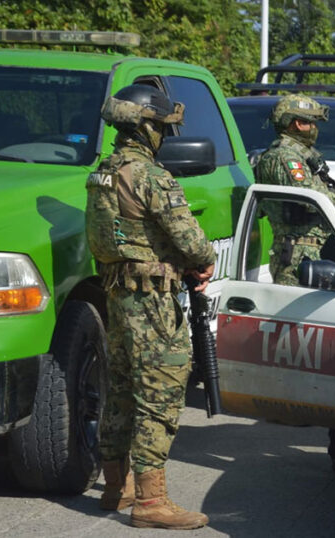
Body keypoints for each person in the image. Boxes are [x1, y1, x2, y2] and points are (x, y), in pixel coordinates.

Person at [85, 85, 214, 529]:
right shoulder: (150, 176)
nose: (164, 135)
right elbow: (193, 243)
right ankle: (151, 502)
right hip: (152, 303)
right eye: (161, 127)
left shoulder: (102, 172)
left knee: (121, 389)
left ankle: (115, 487)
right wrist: (200, 263)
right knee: (160, 393)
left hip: (118, 297)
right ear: (144, 127)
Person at [255, 94, 335, 286]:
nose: (315, 129)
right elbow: (308, 197)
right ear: (298, 124)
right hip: (298, 254)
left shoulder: (300, 155)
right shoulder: (284, 157)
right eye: (312, 123)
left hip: (309, 251)